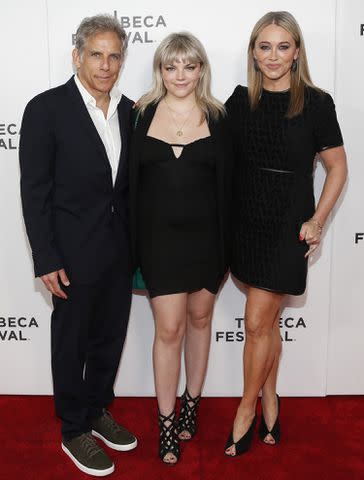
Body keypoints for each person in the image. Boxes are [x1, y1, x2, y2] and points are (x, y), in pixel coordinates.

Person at [224, 11, 347, 457]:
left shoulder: (316, 103)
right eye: (264, 46)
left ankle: (245, 408)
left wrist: (318, 219)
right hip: (247, 223)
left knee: (256, 321)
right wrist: (151, 102)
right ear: (254, 53)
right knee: (268, 322)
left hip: (288, 226)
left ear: (296, 52)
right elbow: (196, 123)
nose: (273, 56)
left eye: (282, 46)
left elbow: (338, 167)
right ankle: (271, 396)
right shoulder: (239, 102)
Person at [19, 14, 137, 477]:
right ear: (77, 55)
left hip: (118, 251)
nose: (105, 65)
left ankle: (96, 409)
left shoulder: (130, 111)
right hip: (68, 256)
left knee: (109, 337)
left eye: (114, 56)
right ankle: (73, 429)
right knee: (71, 342)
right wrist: (45, 257)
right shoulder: (46, 109)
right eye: (96, 54)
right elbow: (35, 191)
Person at [129, 32, 232, 464]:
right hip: (159, 243)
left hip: (208, 242)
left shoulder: (220, 116)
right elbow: (129, 187)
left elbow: (231, 186)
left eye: (189, 66)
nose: (180, 76)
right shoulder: (140, 113)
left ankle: (193, 399)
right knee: (168, 329)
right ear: (160, 70)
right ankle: (167, 421)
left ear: (201, 69)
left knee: (200, 319)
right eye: (171, 67)